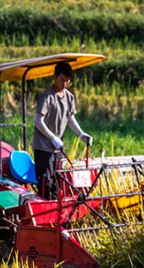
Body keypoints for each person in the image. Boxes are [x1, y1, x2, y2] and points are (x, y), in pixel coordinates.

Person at [32, 62, 93, 199]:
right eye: (61, 80)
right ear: (54, 77)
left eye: (67, 81)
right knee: (46, 184)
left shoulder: (69, 97)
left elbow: (70, 118)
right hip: (44, 148)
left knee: (58, 184)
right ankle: (45, 215)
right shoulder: (47, 96)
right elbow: (38, 121)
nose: (64, 84)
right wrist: (52, 137)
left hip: (58, 149)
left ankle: (59, 216)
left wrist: (81, 134)